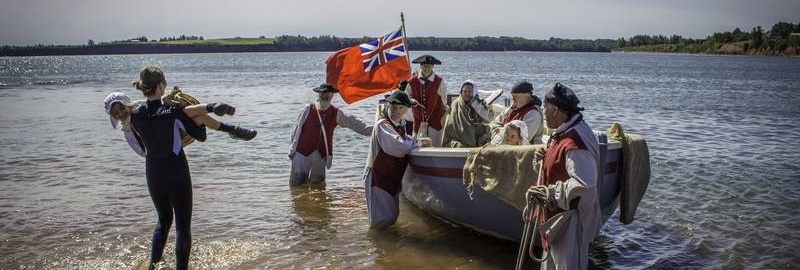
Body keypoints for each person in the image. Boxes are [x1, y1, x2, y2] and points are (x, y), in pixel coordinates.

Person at [126, 66, 233, 270]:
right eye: (163, 85)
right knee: (183, 227)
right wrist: (197, 118)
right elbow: (200, 136)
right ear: (160, 86)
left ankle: (153, 266)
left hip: (153, 172)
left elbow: (141, 147)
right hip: (176, 170)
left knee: (163, 221)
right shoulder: (173, 112)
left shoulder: (135, 115)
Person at [527, 83, 601, 270]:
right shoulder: (564, 132)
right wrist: (542, 160)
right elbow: (560, 168)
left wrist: (550, 193)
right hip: (557, 219)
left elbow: (586, 184)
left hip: (569, 222)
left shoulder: (574, 142)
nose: (543, 113)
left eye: (545, 108)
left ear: (556, 110)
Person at [104, 91, 257, 156]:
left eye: (121, 108)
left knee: (198, 117)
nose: (120, 113)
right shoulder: (129, 131)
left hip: (173, 127)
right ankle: (217, 111)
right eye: (116, 113)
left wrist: (167, 101)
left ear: (127, 105)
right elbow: (143, 152)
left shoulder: (142, 108)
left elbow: (158, 107)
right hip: (166, 142)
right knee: (187, 114)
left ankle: (230, 127)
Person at [363, 90, 431, 228]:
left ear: (406, 109)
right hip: (378, 178)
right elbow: (399, 147)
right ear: (388, 106)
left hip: (389, 178)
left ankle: (384, 248)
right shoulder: (383, 125)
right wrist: (418, 143)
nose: (397, 110)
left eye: (401, 108)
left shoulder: (399, 125)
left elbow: (404, 139)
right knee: (381, 222)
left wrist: (416, 140)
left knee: (391, 218)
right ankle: (378, 247)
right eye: (394, 107)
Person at [288, 83, 373, 186]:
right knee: (297, 185)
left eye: (329, 93)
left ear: (332, 95)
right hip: (302, 152)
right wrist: (292, 150)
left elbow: (353, 123)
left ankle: (317, 202)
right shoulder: (308, 109)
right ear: (319, 94)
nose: (326, 95)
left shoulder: (336, 113)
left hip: (321, 154)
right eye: (323, 93)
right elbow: (297, 129)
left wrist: (373, 129)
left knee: (318, 186)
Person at [400, 54, 447, 146]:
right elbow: (406, 98)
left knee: (436, 145)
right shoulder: (412, 81)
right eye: (425, 66)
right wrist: (411, 100)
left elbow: (444, 101)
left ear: (433, 66)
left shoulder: (439, 81)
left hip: (435, 120)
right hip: (418, 120)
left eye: (429, 66)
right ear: (420, 66)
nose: (427, 69)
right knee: (418, 145)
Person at [441, 79, 493, 147]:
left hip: (477, 138)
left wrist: (475, 104)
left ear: (474, 92)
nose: (467, 94)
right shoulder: (456, 104)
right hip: (458, 139)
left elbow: (488, 118)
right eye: (464, 91)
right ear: (461, 92)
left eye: (469, 91)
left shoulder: (479, 104)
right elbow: (448, 124)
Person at [490, 80, 544, 145]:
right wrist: (503, 132)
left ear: (527, 96)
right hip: (504, 148)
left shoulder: (533, 114)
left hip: (525, 152)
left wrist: (500, 132)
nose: (513, 99)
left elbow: (520, 139)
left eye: (515, 96)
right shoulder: (512, 108)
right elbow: (494, 124)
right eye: (512, 96)